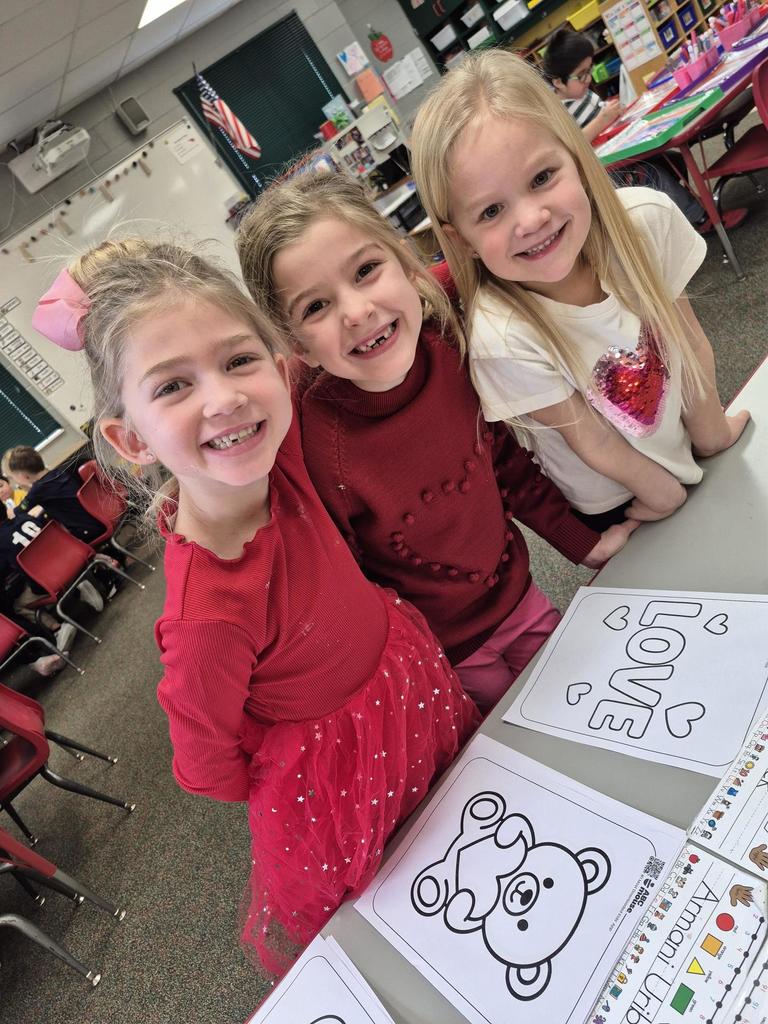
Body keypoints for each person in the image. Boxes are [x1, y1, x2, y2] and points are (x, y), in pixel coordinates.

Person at [31, 242, 481, 974]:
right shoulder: (208, 612)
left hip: (407, 684)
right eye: (173, 386)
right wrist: (311, 758)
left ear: (278, 370)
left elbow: (360, 320)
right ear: (131, 439)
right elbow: (204, 763)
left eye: (239, 361)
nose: (223, 397)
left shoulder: (281, 450)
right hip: (336, 772)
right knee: (414, 923)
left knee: (474, 829)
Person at [236, 172, 636, 713]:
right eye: (315, 307)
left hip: (522, 597)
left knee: (590, 702)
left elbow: (504, 462)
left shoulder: (448, 345)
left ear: (407, 264)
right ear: (295, 347)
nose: (356, 311)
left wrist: (584, 544)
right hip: (444, 654)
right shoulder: (312, 443)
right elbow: (350, 580)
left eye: (366, 271)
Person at [409, 49, 750, 532]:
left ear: (578, 157)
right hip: (616, 493)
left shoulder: (645, 222)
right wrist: (662, 492)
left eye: (543, 178)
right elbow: (592, 441)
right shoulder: (500, 335)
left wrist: (710, 433)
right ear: (462, 239)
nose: (531, 221)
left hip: (680, 433)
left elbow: (688, 340)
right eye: (491, 212)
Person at [542, 27, 709, 229]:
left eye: (589, 70)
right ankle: (700, 217)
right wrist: (602, 120)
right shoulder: (558, 112)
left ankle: (675, 212)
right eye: (581, 75)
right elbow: (571, 146)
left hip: (622, 153)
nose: (589, 79)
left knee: (672, 158)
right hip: (606, 173)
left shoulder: (583, 94)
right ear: (558, 82)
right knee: (654, 174)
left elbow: (605, 115)